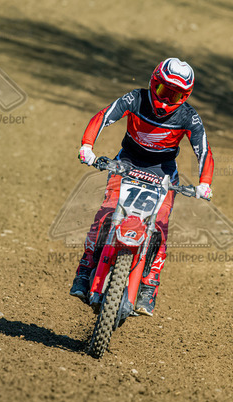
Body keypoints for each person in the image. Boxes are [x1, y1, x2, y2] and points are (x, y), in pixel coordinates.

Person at [69, 57, 214, 316]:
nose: (166, 100)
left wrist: (204, 183)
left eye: (174, 95)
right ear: (153, 83)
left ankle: (149, 284)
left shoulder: (189, 117)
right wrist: (87, 146)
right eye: (163, 91)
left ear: (184, 96)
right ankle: (85, 268)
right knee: (106, 213)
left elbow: (203, 151)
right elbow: (103, 116)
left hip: (163, 172)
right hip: (126, 163)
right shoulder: (135, 99)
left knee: (160, 226)